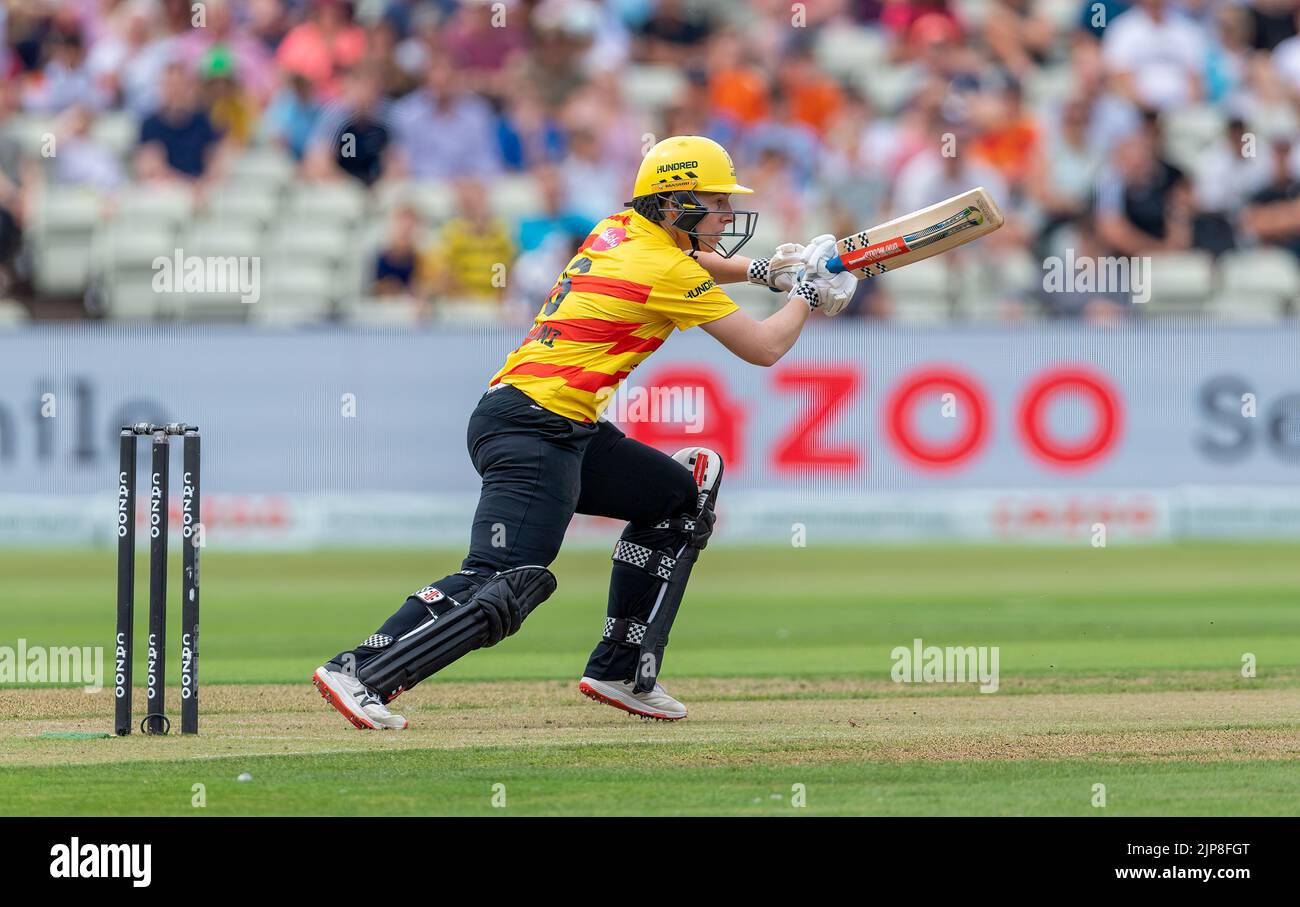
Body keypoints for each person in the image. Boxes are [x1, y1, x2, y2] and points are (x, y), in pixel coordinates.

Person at [312, 135, 855, 728]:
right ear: (676, 205)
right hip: (535, 426)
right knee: (503, 582)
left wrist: (762, 272)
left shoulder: (620, 228)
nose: (727, 214)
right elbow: (766, 347)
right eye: (716, 201)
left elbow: (690, 265)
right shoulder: (661, 265)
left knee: (677, 500)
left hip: (552, 423)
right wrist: (803, 294)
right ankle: (360, 668)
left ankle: (620, 670)